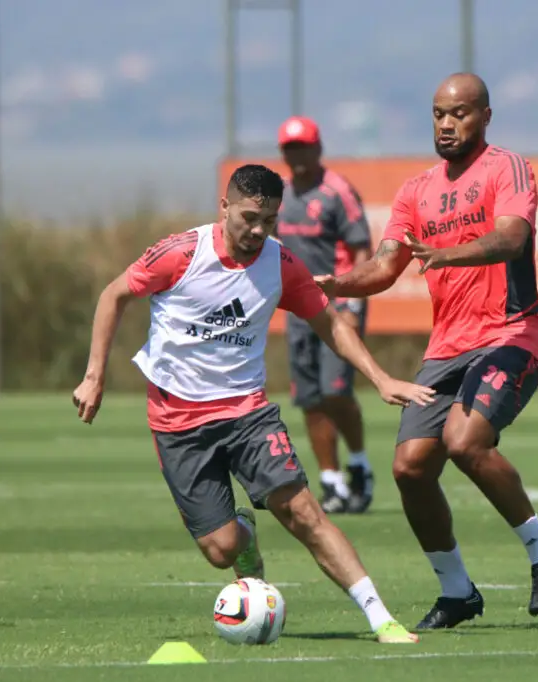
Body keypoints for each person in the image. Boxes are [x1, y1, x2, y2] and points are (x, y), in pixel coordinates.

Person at [71, 164, 429, 643]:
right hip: (177, 422)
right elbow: (113, 295)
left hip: (247, 413)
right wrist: (95, 377)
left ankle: (380, 618)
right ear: (224, 208)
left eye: (269, 220)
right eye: (248, 218)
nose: (258, 231)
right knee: (220, 550)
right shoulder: (181, 255)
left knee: (303, 512)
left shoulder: (280, 265)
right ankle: (243, 534)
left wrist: (381, 378)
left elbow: (331, 322)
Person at [315, 72, 538, 629]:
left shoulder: (507, 168)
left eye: (459, 113)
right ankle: (457, 591)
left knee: (465, 441)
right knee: (409, 468)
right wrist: (335, 284)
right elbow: (386, 266)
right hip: (448, 348)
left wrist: (448, 254)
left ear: (485, 116)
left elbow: (512, 238)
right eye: (438, 114)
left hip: (510, 335)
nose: (447, 124)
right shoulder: (416, 190)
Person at [275, 116, 375, 514]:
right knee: (311, 399)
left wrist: (354, 305)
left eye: (303, 147)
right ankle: (331, 481)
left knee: (336, 392)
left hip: (336, 311)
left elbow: (362, 252)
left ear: (318, 148)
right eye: (289, 149)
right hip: (298, 313)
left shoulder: (337, 192)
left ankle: (359, 463)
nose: (296, 156)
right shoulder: (280, 196)